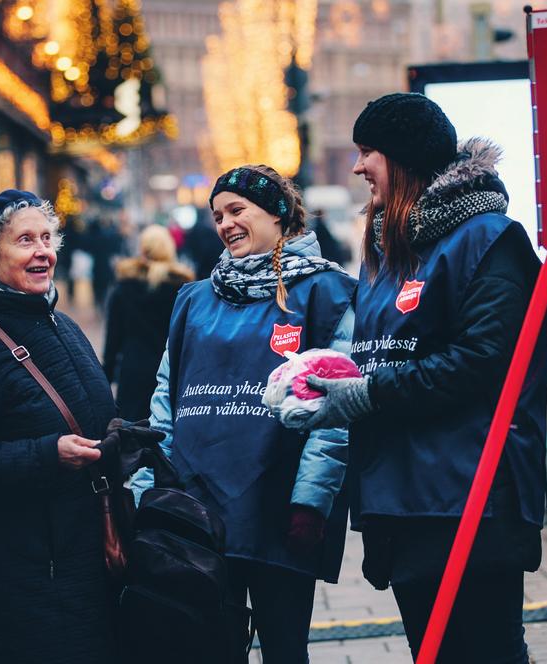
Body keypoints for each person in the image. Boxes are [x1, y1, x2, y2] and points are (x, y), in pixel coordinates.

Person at [301, 93, 547, 663]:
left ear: (407, 157)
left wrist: (365, 394)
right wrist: (329, 378)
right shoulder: (393, 247)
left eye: (370, 152)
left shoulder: (490, 241)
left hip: (472, 497)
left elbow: (481, 363)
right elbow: (384, 351)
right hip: (404, 499)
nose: (358, 166)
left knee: (486, 651)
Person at [131, 165, 356, 662]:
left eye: (237, 210)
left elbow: (334, 414)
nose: (226, 224)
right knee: (210, 648)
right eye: (217, 216)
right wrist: (149, 487)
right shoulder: (193, 299)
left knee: (284, 649)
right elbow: (166, 399)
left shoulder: (325, 293)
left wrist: (311, 501)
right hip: (196, 511)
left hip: (278, 510)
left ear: (277, 212)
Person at [0, 190, 119, 664]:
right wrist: (48, 453)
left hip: (90, 554)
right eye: (25, 240)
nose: (43, 251)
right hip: (28, 574)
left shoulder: (63, 325)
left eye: (47, 238)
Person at [103, 224, 194, 420]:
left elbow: (113, 340)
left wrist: (106, 379)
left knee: (132, 437)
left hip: (133, 372)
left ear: (142, 249)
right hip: (172, 372)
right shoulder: (182, 289)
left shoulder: (123, 288)